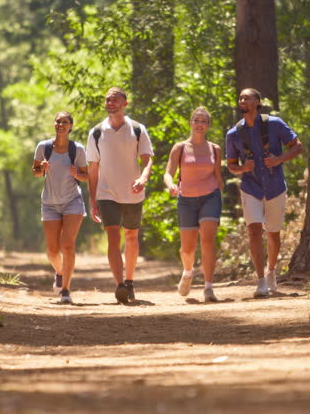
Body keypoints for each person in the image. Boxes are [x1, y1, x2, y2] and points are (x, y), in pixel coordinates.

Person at [225, 88, 303, 298]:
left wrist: (279, 159)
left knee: (274, 233)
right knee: (254, 231)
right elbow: (231, 165)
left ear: (258, 102)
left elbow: (297, 146)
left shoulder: (274, 124)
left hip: (275, 185)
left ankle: (271, 272)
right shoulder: (233, 134)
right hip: (251, 188)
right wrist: (243, 168)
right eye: (240, 98)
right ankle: (260, 281)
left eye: (247, 97)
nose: (243, 100)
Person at [86, 87, 154, 303]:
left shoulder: (137, 129)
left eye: (115, 99)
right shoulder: (96, 132)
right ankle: (120, 285)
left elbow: (148, 159)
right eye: (107, 99)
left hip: (132, 193)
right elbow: (93, 168)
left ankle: (130, 281)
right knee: (113, 238)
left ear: (125, 103)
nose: (110, 102)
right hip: (106, 193)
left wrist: (143, 178)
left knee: (131, 237)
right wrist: (93, 199)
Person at [163, 107, 225, 303]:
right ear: (190, 123)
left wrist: (220, 198)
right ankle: (188, 273)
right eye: (196, 120)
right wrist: (171, 184)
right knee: (187, 249)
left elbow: (218, 177)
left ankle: (208, 288)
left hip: (210, 197)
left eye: (203, 121)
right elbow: (168, 173)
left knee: (208, 241)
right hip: (186, 199)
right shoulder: (180, 148)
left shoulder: (214, 149)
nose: (199, 124)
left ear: (207, 126)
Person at [32, 111, 89, 304]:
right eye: (58, 121)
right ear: (54, 124)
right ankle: (60, 272)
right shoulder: (44, 147)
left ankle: (65, 290)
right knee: (52, 250)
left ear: (71, 126)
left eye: (64, 122)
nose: (61, 125)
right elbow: (36, 172)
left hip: (73, 201)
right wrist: (43, 169)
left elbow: (86, 176)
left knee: (68, 244)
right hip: (49, 202)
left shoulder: (77, 149)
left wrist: (76, 173)